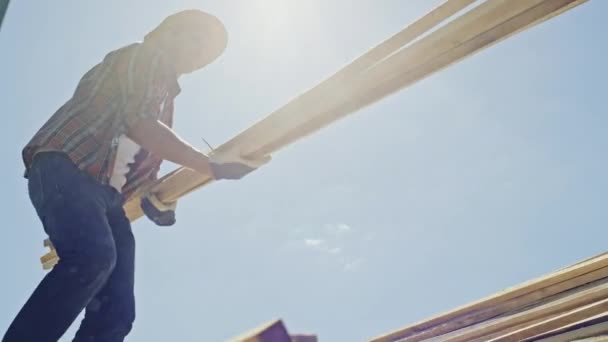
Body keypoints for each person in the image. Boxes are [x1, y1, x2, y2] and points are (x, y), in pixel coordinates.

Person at [3, 9, 268, 342]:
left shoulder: (166, 106)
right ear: (166, 32)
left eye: (208, 57)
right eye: (198, 42)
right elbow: (139, 122)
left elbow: (145, 173)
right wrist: (210, 164)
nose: (200, 57)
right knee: (91, 256)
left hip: (108, 199)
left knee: (117, 312)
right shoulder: (142, 57)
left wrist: (160, 201)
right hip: (66, 167)